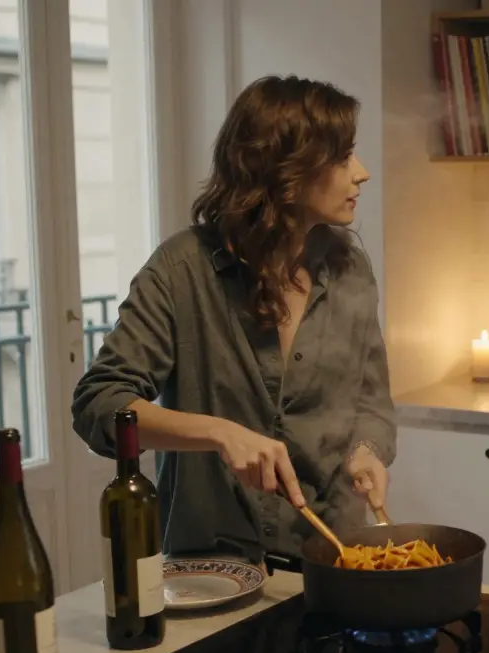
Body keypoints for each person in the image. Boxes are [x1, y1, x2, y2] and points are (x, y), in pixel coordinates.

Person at [72, 75, 395, 560]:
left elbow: (371, 402)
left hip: (331, 560)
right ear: (287, 169)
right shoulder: (183, 270)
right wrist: (218, 433)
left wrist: (365, 450)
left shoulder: (349, 267)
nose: (362, 172)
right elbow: (99, 405)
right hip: (209, 574)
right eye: (342, 156)